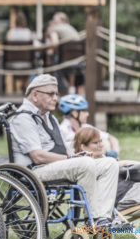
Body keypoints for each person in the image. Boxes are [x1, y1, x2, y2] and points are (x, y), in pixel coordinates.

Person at [10, 74, 119, 226]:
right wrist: (73, 159)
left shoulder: (50, 117)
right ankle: (93, 218)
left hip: (56, 166)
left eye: (56, 94)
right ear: (35, 95)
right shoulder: (23, 118)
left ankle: (103, 218)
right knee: (85, 164)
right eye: (50, 94)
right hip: (34, 171)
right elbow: (37, 156)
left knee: (109, 163)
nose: (55, 98)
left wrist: (78, 155)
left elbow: (66, 151)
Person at [73, 128, 140, 214]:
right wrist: (123, 163)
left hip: (131, 190)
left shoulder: (103, 159)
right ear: (83, 147)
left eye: (100, 141)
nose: (101, 145)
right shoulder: (84, 166)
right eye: (95, 143)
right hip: (122, 197)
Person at [48, 12, 80, 94]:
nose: (53, 22)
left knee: (52, 60)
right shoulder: (71, 28)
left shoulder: (55, 28)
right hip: (77, 59)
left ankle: (53, 89)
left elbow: (55, 43)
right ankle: (71, 87)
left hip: (66, 60)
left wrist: (51, 51)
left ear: (61, 20)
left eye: (54, 20)